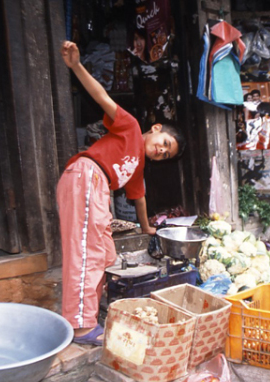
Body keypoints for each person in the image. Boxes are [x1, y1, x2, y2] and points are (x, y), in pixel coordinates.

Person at [58, 41, 186, 345]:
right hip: (88, 176)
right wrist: (76, 66)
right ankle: (80, 325)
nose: (161, 151)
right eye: (165, 144)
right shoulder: (130, 127)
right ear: (156, 129)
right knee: (87, 253)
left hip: (96, 186)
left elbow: (139, 197)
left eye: (166, 155)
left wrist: (146, 227)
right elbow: (101, 97)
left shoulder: (137, 166)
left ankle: (89, 312)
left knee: (105, 253)